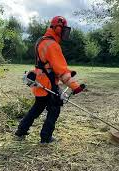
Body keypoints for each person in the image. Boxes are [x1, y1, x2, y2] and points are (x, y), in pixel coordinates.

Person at [15, 16, 86, 144]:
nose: (65, 33)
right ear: (57, 28)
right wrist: (75, 86)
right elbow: (61, 70)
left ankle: (21, 131)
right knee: (55, 108)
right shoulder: (52, 45)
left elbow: (48, 64)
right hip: (48, 83)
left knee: (37, 107)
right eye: (63, 29)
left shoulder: (41, 41)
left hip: (40, 82)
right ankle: (46, 137)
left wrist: (69, 73)